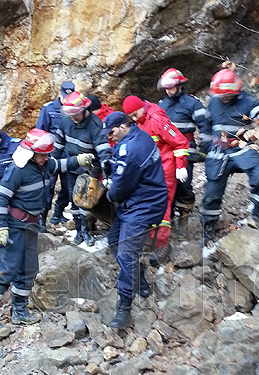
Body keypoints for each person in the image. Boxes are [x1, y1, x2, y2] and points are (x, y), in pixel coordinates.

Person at [0, 128, 95, 337]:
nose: (46, 158)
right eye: (43, 155)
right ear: (32, 152)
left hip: (31, 226)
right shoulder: (19, 168)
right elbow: (0, 197)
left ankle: (20, 310)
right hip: (15, 226)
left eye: (47, 155)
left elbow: (59, 165)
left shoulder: (43, 163)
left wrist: (78, 159)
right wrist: (0, 226)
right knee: (6, 268)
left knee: (29, 269)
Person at [102, 111, 168, 328]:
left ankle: (125, 306)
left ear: (123, 126)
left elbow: (121, 187)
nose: (109, 136)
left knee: (126, 253)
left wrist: (107, 195)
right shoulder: (139, 136)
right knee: (114, 238)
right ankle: (137, 275)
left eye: (111, 131)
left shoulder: (131, 148)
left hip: (144, 206)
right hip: (137, 202)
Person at [199, 68, 259, 247]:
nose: (223, 98)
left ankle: (257, 213)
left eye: (226, 95)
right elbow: (206, 127)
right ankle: (208, 228)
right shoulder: (214, 102)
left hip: (242, 148)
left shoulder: (247, 100)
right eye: (221, 94)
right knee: (211, 195)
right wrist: (203, 151)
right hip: (218, 152)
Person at [122, 95, 189, 267]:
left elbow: (180, 142)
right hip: (152, 172)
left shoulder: (157, 120)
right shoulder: (140, 122)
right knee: (150, 204)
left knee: (162, 207)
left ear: (141, 107)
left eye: (135, 115)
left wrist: (181, 166)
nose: (134, 119)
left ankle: (162, 245)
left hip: (166, 170)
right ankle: (153, 236)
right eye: (131, 117)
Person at [52, 91, 112, 246]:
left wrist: (103, 173)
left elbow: (104, 151)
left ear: (84, 110)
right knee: (75, 202)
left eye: (75, 115)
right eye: (70, 115)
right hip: (72, 167)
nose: (73, 119)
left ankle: (88, 229)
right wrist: (51, 162)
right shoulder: (66, 121)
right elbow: (58, 145)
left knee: (87, 202)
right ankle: (80, 231)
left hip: (90, 170)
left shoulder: (95, 125)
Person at [157, 68, 209, 241]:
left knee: (184, 186)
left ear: (180, 85)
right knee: (166, 187)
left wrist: (204, 150)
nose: (168, 91)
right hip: (166, 154)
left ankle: (183, 220)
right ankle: (168, 219)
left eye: (171, 87)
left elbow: (205, 127)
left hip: (186, 153)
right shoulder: (162, 105)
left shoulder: (193, 104)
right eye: (166, 88)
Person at [35, 81, 75, 229]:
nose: (67, 99)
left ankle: (57, 214)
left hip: (67, 157)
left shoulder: (73, 110)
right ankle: (42, 219)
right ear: (60, 93)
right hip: (49, 157)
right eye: (65, 96)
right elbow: (40, 132)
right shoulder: (48, 109)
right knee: (47, 187)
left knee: (66, 188)